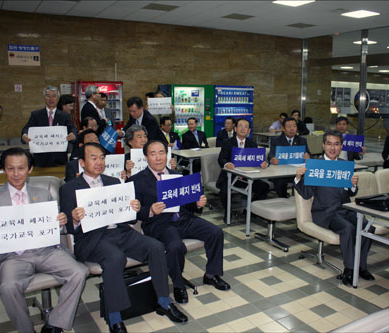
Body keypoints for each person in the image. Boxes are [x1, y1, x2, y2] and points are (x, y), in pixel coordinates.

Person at [60, 142, 188, 332]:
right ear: (82, 162)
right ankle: (115, 316)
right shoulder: (70, 188)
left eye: (102, 157)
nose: (99, 162)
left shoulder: (113, 182)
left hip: (120, 232)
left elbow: (128, 217)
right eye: (93, 158)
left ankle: (163, 301)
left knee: (156, 247)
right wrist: (74, 218)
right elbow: (69, 228)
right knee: (115, 258)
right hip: (92, 239)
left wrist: (134, 208)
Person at [0, 148, 88, 333]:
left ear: (29, 169)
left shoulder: (43, 193)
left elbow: (54, 227)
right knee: (7, 288)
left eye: (21, 168)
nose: (16, 174)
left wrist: (60, 221)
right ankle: (26, 329)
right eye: (10, 169)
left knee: (79, 272)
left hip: (46, 251)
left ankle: (55, 323)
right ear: (4, 170)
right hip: (12, 256)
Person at [128, 140, 230, 305]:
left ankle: (212, 275)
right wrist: (150, 210)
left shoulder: (177, 174)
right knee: (175, 246)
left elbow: (187, 202)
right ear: (146, 157)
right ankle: (178, 284)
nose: (158, 158)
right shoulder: (136, 180)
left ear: (166, 154)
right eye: (153, 154)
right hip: (160, 224)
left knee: (216, 232)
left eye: (161, 152)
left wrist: (197, 203)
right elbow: (133, 211)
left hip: (184, 218)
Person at [294, 130, 375, 286]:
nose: (333, 148)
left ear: (341, 146)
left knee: (368, 227)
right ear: (323, 145)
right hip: (325, 213)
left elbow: (351, 193)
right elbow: (305, 194)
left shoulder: (345, 165)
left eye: (336, 144)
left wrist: (353, 185)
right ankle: (350, 270)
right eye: (329, 144)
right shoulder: (315, 166)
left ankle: (361, 266)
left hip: (346, 210)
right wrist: (298, 177)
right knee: (347, 229)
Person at [216, 118, 270, 222]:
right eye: (240, 126)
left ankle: (249, 210)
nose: (243, 129)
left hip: (247, 177)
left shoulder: (252, 144)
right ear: (235, 129)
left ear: (249, 131)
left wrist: (264, 164)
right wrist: (227, 164)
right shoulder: (227, 142)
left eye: (246, 127)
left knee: (264, 187)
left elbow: (258, 160)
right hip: (230, 177)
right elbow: (221, 158)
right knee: (224, 190)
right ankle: (228, 212)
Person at [21, 86, 77, 167]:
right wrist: (24, 135)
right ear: (44, 98)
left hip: (59, 157)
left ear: (57, 99)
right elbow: (26, 128)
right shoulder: (36, 115)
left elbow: (72, 128)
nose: (51, 99)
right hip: (40, 157)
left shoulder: (64, 115)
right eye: (48, 96)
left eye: (54, 96)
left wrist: (73, 134)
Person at [268, 117, 311, 198]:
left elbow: (309, 155)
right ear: (283, 129)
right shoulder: (276, 140)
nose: (292, 129)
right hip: (281, 172)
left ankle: (302, 200)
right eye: (289, 127)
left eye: (294, 126)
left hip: (297, 171)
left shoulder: (302, 140)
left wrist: (308, 157)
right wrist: (272, 159)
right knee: (279, 182)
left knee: (307, 178)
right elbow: (271, 155)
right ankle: (284, 199)